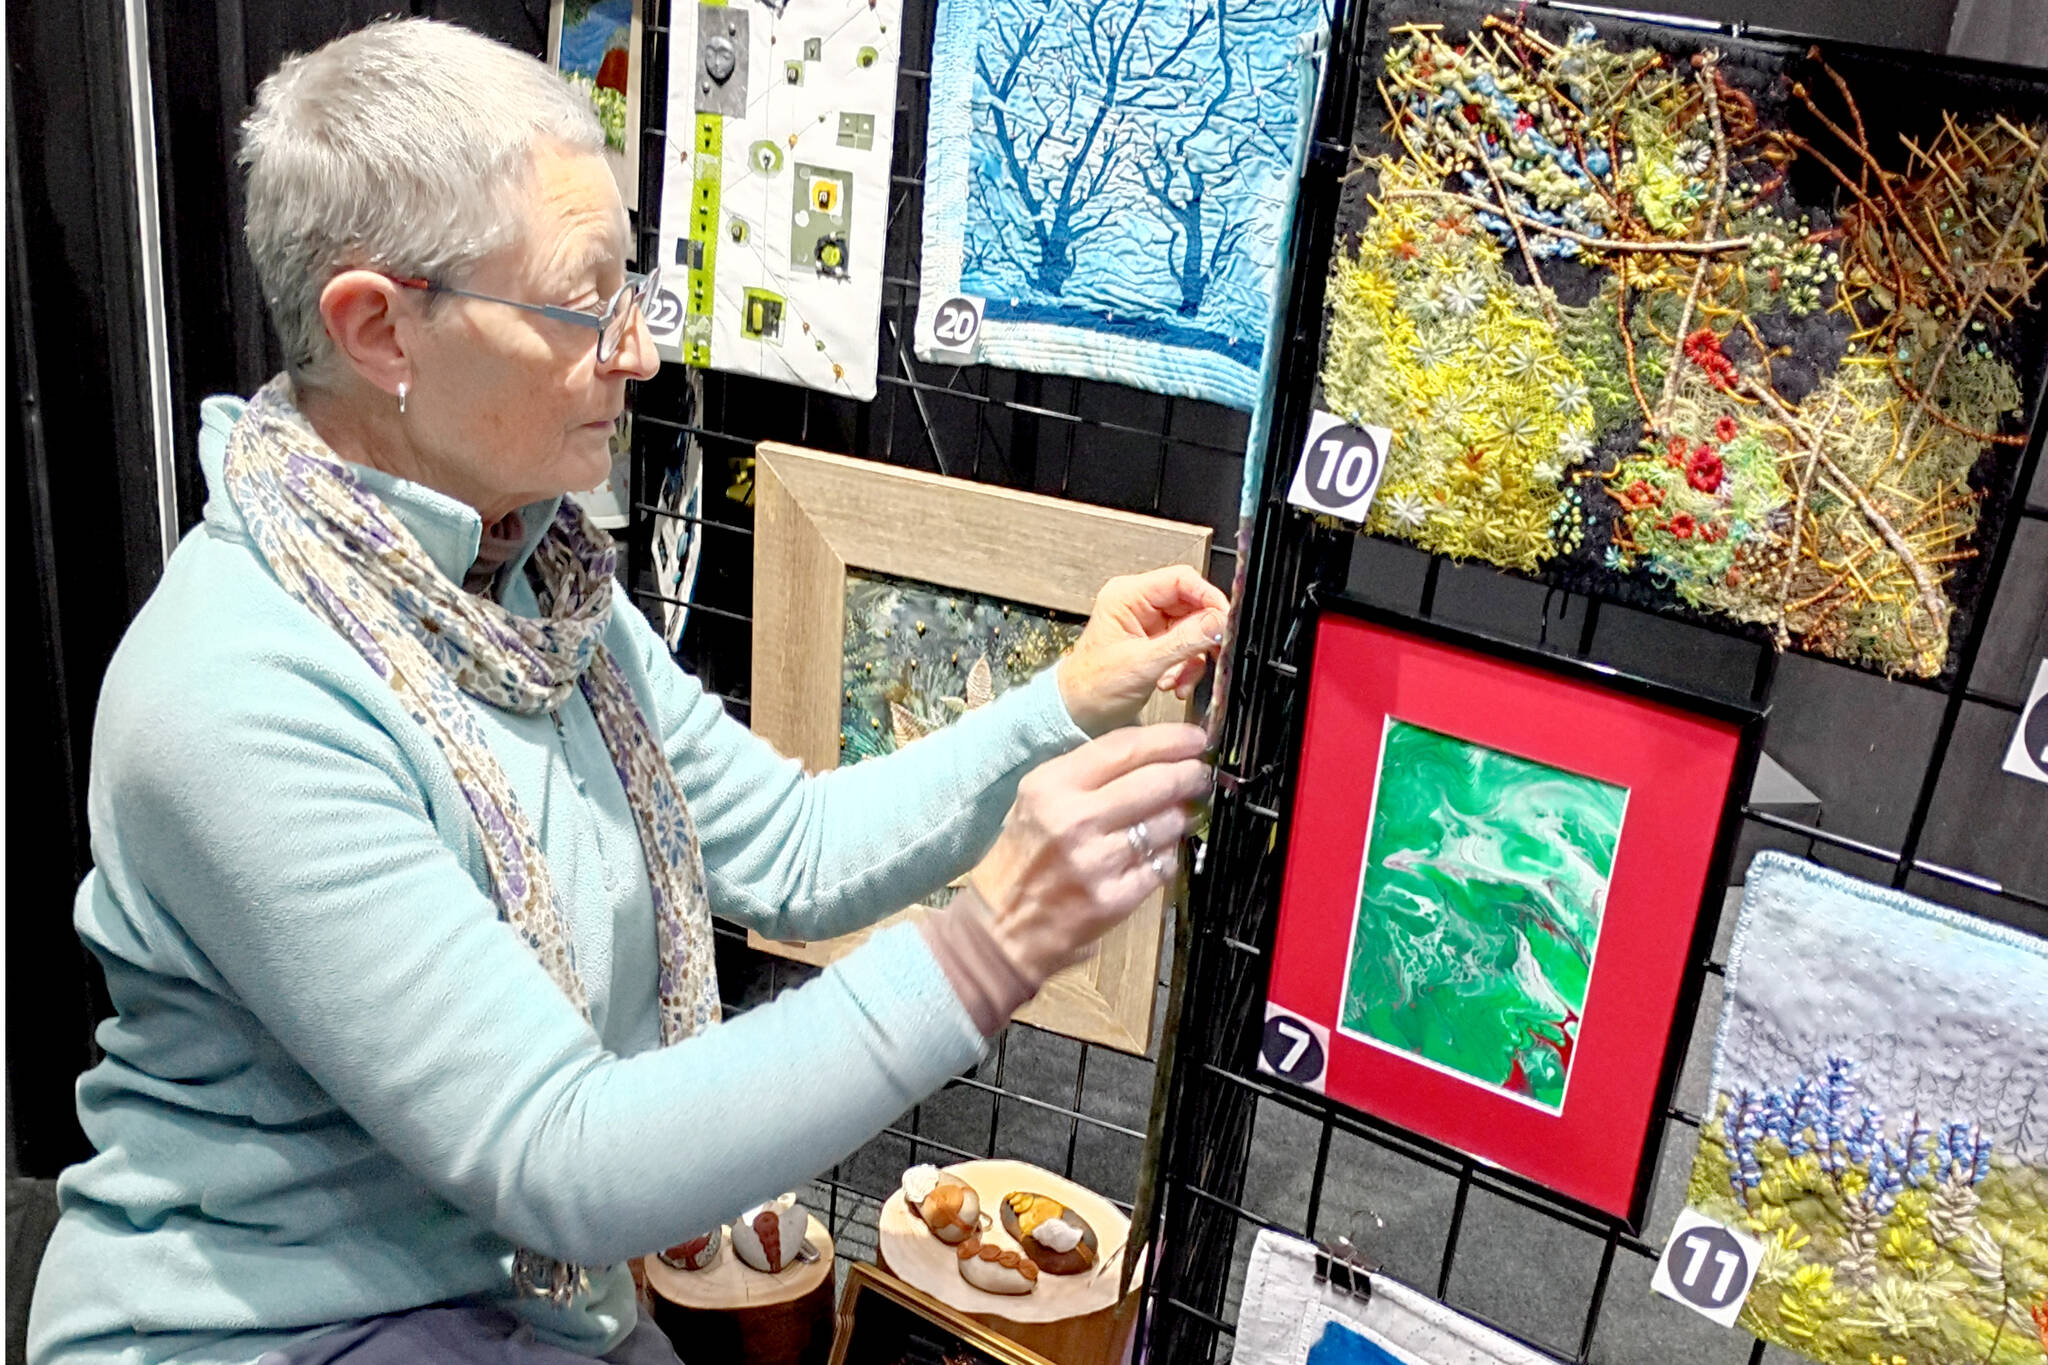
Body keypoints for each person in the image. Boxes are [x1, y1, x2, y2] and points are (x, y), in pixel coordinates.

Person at [25, 19, 1226, 1365]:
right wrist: (986, 950)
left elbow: (792, 843)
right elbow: (561, 1156)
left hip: (518, 1306)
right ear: (378, 328)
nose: (639, 346)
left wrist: (1067, 699)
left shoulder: (537, 587)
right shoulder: (235, 698)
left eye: (630, 285)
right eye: (580, 300)